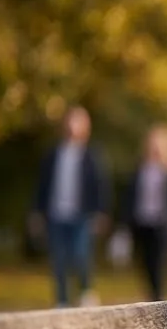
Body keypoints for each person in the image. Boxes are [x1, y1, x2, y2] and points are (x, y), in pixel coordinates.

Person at [30, 105, 110, 308]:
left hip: (82, 215)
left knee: (81, 255)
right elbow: (42, 185)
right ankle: (62, 300)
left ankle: (85, 291)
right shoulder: (53, 154)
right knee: (58, 258)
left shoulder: (91, 155)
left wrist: (100, 212)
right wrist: (37, 213)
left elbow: (100, 185)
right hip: (56, 214)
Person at [121, 125, 167, 301]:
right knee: (144, 262)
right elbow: (131, 195)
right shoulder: (141, 169)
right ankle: (151, 293)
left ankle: (158, 295)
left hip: (163, 224)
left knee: (159, 262)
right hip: (142, 221)